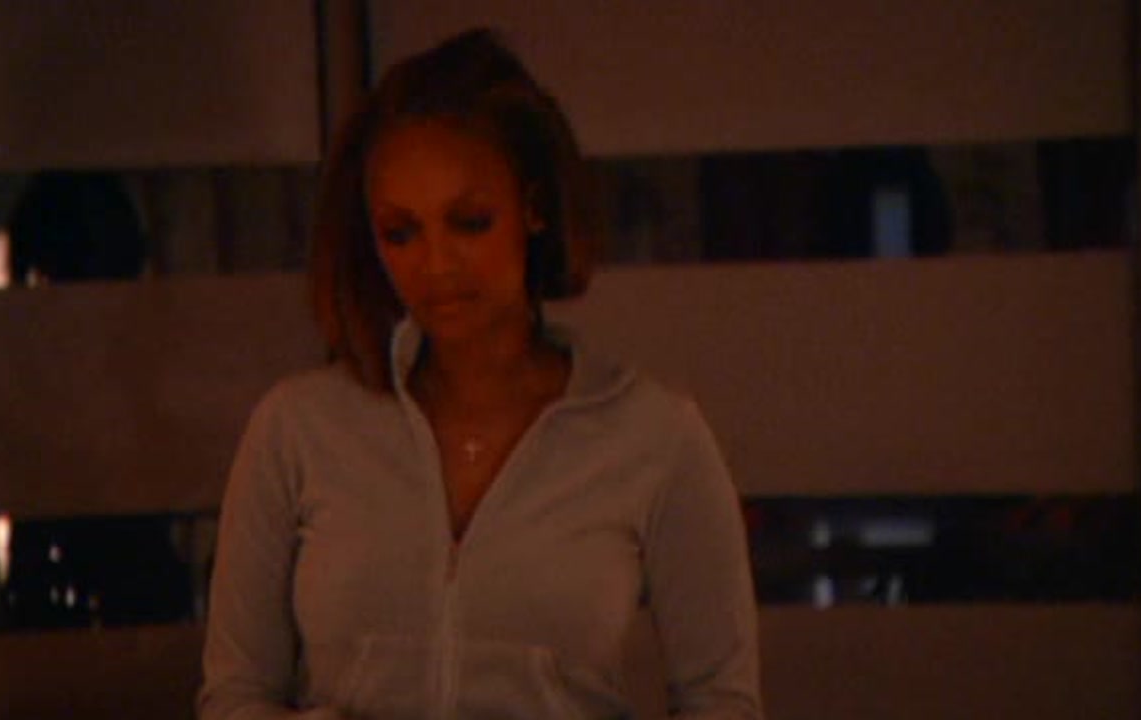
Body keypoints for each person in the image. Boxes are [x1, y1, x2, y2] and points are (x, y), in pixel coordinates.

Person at [198, 28, 762, 720]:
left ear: (533, 209)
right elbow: (234, 696)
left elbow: (722, 703)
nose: (436, 264)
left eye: (468, 222)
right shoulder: (298, 429)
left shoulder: (655, 438)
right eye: (401, 232)